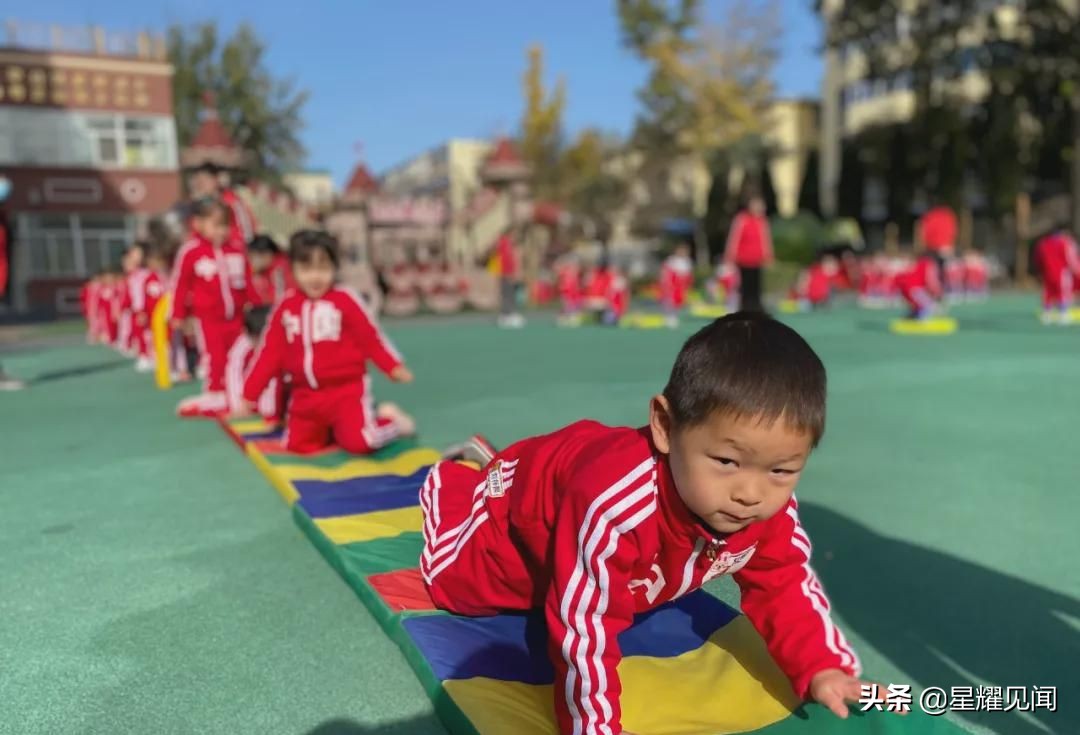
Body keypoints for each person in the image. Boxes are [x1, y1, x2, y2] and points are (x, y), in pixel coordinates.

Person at [422, 313, 883, 735]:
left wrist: (824, 666)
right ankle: (461, 481)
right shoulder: (614, 505)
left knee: (629, 584)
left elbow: (784, 580)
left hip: (586, 472)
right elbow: (585, 627)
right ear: (664, 425)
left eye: (781, 470)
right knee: (459, 588)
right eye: (726, 460)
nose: (751, 493)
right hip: (516, 514)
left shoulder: (764, 503)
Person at [241, 230, 416, 454]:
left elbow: (370, 338)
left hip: (346, 393)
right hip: (305, 397)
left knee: (360, 442)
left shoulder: (344, 299)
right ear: (292, 269)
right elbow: (269, 353)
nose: (315, 277)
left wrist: (392, 366)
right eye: (306, 269)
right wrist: (250, 393)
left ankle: (391, 422)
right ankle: (335, 429)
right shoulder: (286, 306)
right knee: (297, 446)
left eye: (323, 269)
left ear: (334, 268)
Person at [170, 198, 253, 417]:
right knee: (215, 356)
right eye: (216, 225)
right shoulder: (191, 252)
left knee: (240, 354)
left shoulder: (236, 251)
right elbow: (180, 283)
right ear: (197, 224)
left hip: (237, 317)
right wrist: (178, 313)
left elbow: (247, 281)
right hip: (208, 319)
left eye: (225, 225)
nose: (221, 231)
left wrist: (252, 305)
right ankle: (215, 391)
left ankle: (241, 391)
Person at [225, 305, 284, 423]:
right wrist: (238, 405)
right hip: (250, 396)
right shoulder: (242, 345)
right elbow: (233, 372)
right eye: (258, 339)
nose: (261, 343)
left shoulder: (280, 340)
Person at [187, 162, 258, 251]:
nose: (202, 185)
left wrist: (240, 248)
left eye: (205, 180)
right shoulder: (197, 205)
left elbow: (247, 231)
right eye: (199, 181)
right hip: (207, 254)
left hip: (231, 251)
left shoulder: (232, 201)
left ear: (215, 179)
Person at [724, 195, 773, 312]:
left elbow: (766, 240)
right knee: (744, 286)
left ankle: (756, 309)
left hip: (757, 260)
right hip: (743, 260)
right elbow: (734, 238)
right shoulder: (741, 219)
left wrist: (768, 256)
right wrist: (730, 256)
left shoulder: (763, 221)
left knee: (756, 286)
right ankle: (743, 309)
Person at [1033, 227, 1080, 324]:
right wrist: (1077, 270)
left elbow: (1038, 259)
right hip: (1062, 272)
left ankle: (1046, 314)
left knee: (1048, 293)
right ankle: (1063, 314)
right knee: (1062, 292)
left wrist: (1040, 271)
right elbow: (1070, 258)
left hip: (1047, 273)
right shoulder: (1064, 243)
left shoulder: (1043, 244)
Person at [895, 250, 945, 320]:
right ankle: (920, 318)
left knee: (919, 305)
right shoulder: (928, 264)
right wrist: (938, 293)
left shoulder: (918, 263)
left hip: (906, 290)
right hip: (916, 290)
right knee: (932, 307)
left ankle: (913, 315)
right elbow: (931, 280)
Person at [247, 234, 293, 306]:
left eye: (254, 257)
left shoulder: (279, 269)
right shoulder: (269, 268)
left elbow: (278, 299)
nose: (252, 261)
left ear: (267, 254)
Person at [494, 227, 525, 328]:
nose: (516, 237)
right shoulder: (504, 243)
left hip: (508, 273)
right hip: (506, 273)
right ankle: (507, 315)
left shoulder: (508, 244)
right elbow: (505, 260)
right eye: (514, 234)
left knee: (509, 294)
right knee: (508, 294)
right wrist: (509, 273)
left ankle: (508, 315)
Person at [659, 241, 694, 326]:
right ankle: (668, 317)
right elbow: (665, 272)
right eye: (681, 250)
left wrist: (688, 284)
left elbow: (689, 275)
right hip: (672, 284)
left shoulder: (688, 262)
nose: (683, 252)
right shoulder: (671, 260)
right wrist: (666, 282)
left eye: (685, 251)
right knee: (669, 301)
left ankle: (674, 316)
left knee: (679, 302)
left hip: (681, 286)